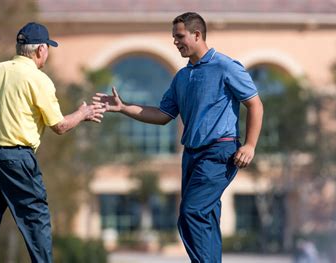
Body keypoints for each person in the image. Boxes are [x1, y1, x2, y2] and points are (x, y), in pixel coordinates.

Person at [93, 12, 263, 262]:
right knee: (206, 217)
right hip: (192, 155)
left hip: (219, 152)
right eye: (174, 37)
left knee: (191, 213)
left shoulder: (226, 67)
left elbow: (256, 105)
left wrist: (250, 145)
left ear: (197, 34)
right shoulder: (182, 76)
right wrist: (123, 107)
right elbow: (163, 115)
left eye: (180, 36)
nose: (175, 42)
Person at [0, 22, 105, 263]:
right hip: (15, 158)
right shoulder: (38, 79)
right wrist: (82, 114)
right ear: (41, 50)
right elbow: (59, 126)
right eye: (48, 48)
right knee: (36, 220)